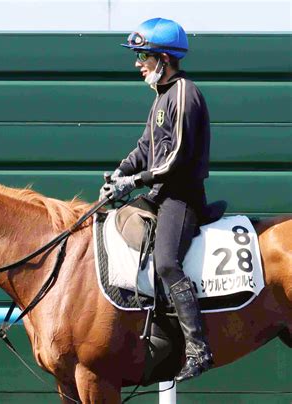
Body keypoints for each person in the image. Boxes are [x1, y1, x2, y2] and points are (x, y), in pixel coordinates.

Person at [100, 17, 213, 382]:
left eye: (143, 56)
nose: (137, 63)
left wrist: (133, 181)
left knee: (165, 262)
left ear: (164, 58)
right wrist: (119, 174)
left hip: (181, 198)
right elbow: (145, 148)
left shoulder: (184, 93)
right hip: (158, 194)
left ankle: (198, 349)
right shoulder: (161, 97)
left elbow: (175, 158)